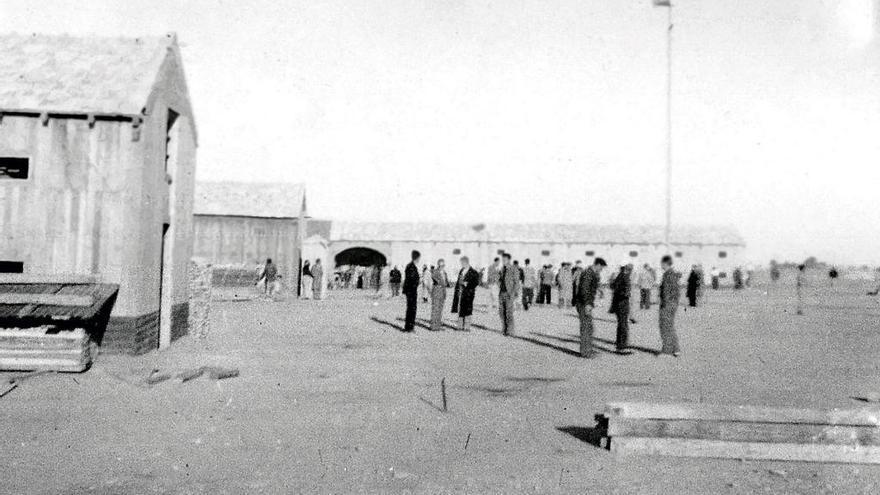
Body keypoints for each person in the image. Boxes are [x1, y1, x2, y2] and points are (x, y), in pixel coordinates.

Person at [574, 258, 606, 358]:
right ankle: (585, 352)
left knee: (589, 327)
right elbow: (584, 290)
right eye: (601, 267)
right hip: (583, 303)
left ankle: (588, 350)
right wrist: (587, 304)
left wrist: (599, 290)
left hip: (585, 303)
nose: (601, 270)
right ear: (597, 264)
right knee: (586, 327)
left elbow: (590, 287)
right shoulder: (588, 273)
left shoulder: (591, 273)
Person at [658, 255, 681, 357]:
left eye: (661, 263)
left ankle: (666, 350)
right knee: (670, 326)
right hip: (673, 304)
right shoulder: (674, 274)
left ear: (665, 263)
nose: (661, 265)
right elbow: (676, 291)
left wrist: (664, 304)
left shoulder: (667, 274)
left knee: (665, 326)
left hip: (667, 304)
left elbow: (666, 291)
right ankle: (676, 349)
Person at [610, 262, 634, 354]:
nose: (631, 270)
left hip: (618, 304)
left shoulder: (619, 276)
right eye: (630, 268)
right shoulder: (625, 277)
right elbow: (624, 291)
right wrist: (626, 294)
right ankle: (622, 346)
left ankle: (620, 344)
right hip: (622, 303)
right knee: (623, 325)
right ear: (626, 268)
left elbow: (613, 287)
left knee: (621, 324)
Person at [452, 256, 480, 331]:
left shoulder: (474, 272)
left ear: (466, 262)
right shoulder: (461, 270)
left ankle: (467, 327)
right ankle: (460, 326)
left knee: (468, 309)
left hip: (468, 294)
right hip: (460, 293)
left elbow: (476, 283)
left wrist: (467, 284)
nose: (461, 264)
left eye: (462, 263)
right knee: (460, 309)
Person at [498, 253, 521, 336]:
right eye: (502, 260)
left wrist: (513, 293)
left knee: (509, 313)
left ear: (509, 260)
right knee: (501, 312)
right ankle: (504, 329)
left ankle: (510, 331)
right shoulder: (502, 269)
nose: (503, 261)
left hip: (509, 293)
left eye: (505, 260)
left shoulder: (514, 269)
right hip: (502, 293)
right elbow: (500, 280)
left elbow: (516, 282)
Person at [402, 251, 421, 332]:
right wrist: (418, 281)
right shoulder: (412, 267)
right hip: (411, 290)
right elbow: (412, 279)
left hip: (409, 290)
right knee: (412, 309)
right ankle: (409, 327)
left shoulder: (409, 266)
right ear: (416, 258)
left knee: (410, 308)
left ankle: (409, 327)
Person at [430, 259, 449, 331]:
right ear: (438, 265)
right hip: (436, 292)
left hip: (442, 293)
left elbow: (446, 282)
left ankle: (438, 326)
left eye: (443, 265)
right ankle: (433, 327)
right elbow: (434, 278)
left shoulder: (445, 273)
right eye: (441, 265)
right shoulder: (435, 271)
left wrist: (447, 284)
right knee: (435, 310)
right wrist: (440, 282)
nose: (442, 266)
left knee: (440, 310)